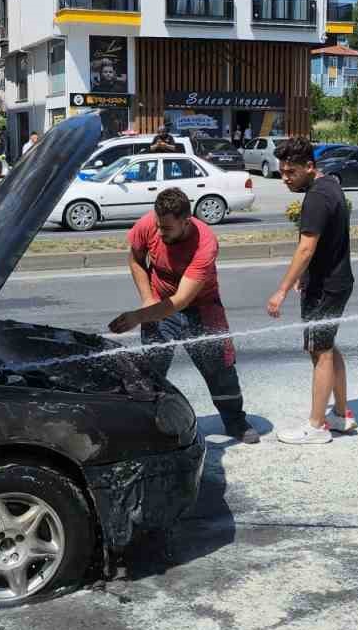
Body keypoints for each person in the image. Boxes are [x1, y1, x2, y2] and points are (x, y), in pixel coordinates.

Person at [108, 188, 258, 445]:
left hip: (202, 307)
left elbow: (180, 301)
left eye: (166, 228)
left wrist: (137, 317)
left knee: (219, 368)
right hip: (157, 306)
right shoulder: (148, 224)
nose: (160, 232)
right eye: (158, 226)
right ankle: (150, 426)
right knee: (152, 371)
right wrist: (147, 300)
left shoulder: (205, 244)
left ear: (186, 221)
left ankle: (235, 420)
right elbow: (135, 260)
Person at [267, 137, 355, 446]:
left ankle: (317, 426)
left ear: (309, 166)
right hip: (337, 281)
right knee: (327, 347)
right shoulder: (330, 184)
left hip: (325, 287)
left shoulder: (316, 198)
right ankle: (342, 414)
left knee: (319, 353)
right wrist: (306, 273)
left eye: (291, 172)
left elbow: (306, 248)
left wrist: (281, 289)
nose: (285, 179)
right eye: (282, 172)